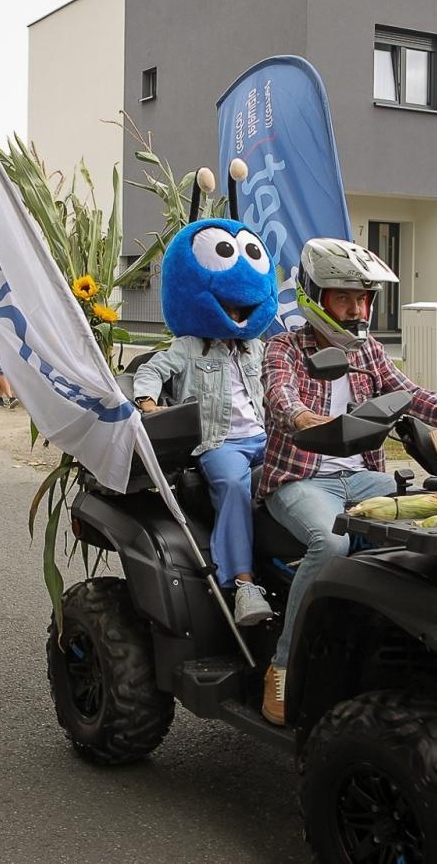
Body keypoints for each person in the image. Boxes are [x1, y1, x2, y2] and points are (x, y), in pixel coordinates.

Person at [258, 238, 437, 725]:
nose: (357, 310)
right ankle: (283, 663)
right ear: (317, 297)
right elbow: (280, 395)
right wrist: (304, 419)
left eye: (363, 299)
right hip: (299, 480)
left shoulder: (371, 352)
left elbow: (415, 398)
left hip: (362, 481)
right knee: (331, 542)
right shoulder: (285, 347)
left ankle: (412, 655)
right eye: (345, 298)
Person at [131, 218, 279, 627]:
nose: (235, 313)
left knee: (308, 466)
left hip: (263, 438)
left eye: (240, 308)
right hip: (219, 444)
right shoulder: (189, 346)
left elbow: (280, 383)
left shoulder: (257, 349)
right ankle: (244, 585)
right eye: (230, 308)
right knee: (233, 484)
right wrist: (147, 402)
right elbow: (151, 372)